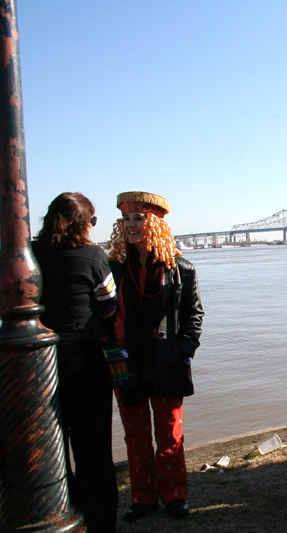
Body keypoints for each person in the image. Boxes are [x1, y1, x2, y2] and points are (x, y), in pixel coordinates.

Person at [107, 191, 204, 521]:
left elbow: (194, 315)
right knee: (135, 436)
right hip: (125, 363)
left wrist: (182, 352)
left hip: (166, 362)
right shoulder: (112, 269)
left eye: (139, 218)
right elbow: (102, 314)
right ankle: (143, 497)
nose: (131, 225)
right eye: (126, 218)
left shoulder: (182, 269)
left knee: (169, 432)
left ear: (157, 222)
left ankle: (175, 494)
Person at [32, 193, 119, 533]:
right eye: (92, 220)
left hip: (40, 365)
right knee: (93, 449)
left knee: (51, 444)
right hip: (84, 360)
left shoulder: (33, 253)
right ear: (82, 222)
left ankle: (60, 513)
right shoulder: (94, 255)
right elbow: (109, 303)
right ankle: (99, 523)